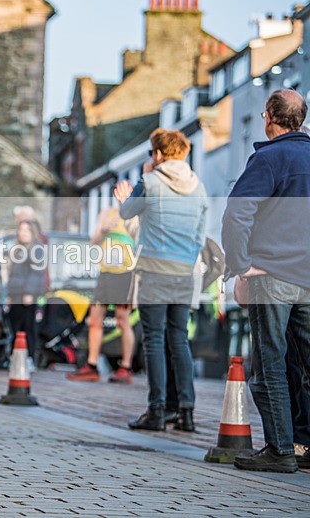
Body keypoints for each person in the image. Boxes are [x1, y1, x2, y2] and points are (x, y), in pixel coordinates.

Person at [222, 89, 310, 473]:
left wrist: (241, 265)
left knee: (269, 364)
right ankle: (304, 443)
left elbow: (237, 213)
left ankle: (280, 449)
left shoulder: (270, 157)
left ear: (268, 117)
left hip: (272, 275)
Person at [115, 128, 206, 433]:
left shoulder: (150, 182)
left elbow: (128, 212)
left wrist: (128, 196)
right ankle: (186, 412)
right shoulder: (199, 188)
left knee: (154, 338)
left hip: (154, 270)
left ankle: (156, 410)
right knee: (179, 339)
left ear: (157, 155)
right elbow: (199, 234)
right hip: (185, 272)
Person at [67, 205, 137, 384]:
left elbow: (140, 240)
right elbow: (94, 241)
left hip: (125, 274)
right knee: (95, 319)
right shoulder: (107, 214)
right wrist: (105, 228)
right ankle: (92, 365)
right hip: (105, 273)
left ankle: (126, 367)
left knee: (122, 319)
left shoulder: (135, 214)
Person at [5, 219, 45, 368]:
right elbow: (13, 274)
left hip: (27, 295)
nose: (23, 233)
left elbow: (36, 273)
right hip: (15, 294)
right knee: (15, 328)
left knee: (28, 328)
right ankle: (15, 358)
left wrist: (29, 292)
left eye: (27, 230)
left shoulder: (36, 249)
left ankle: (28, 358)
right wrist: (9, 294)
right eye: (21, 230)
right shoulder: (17, 249)